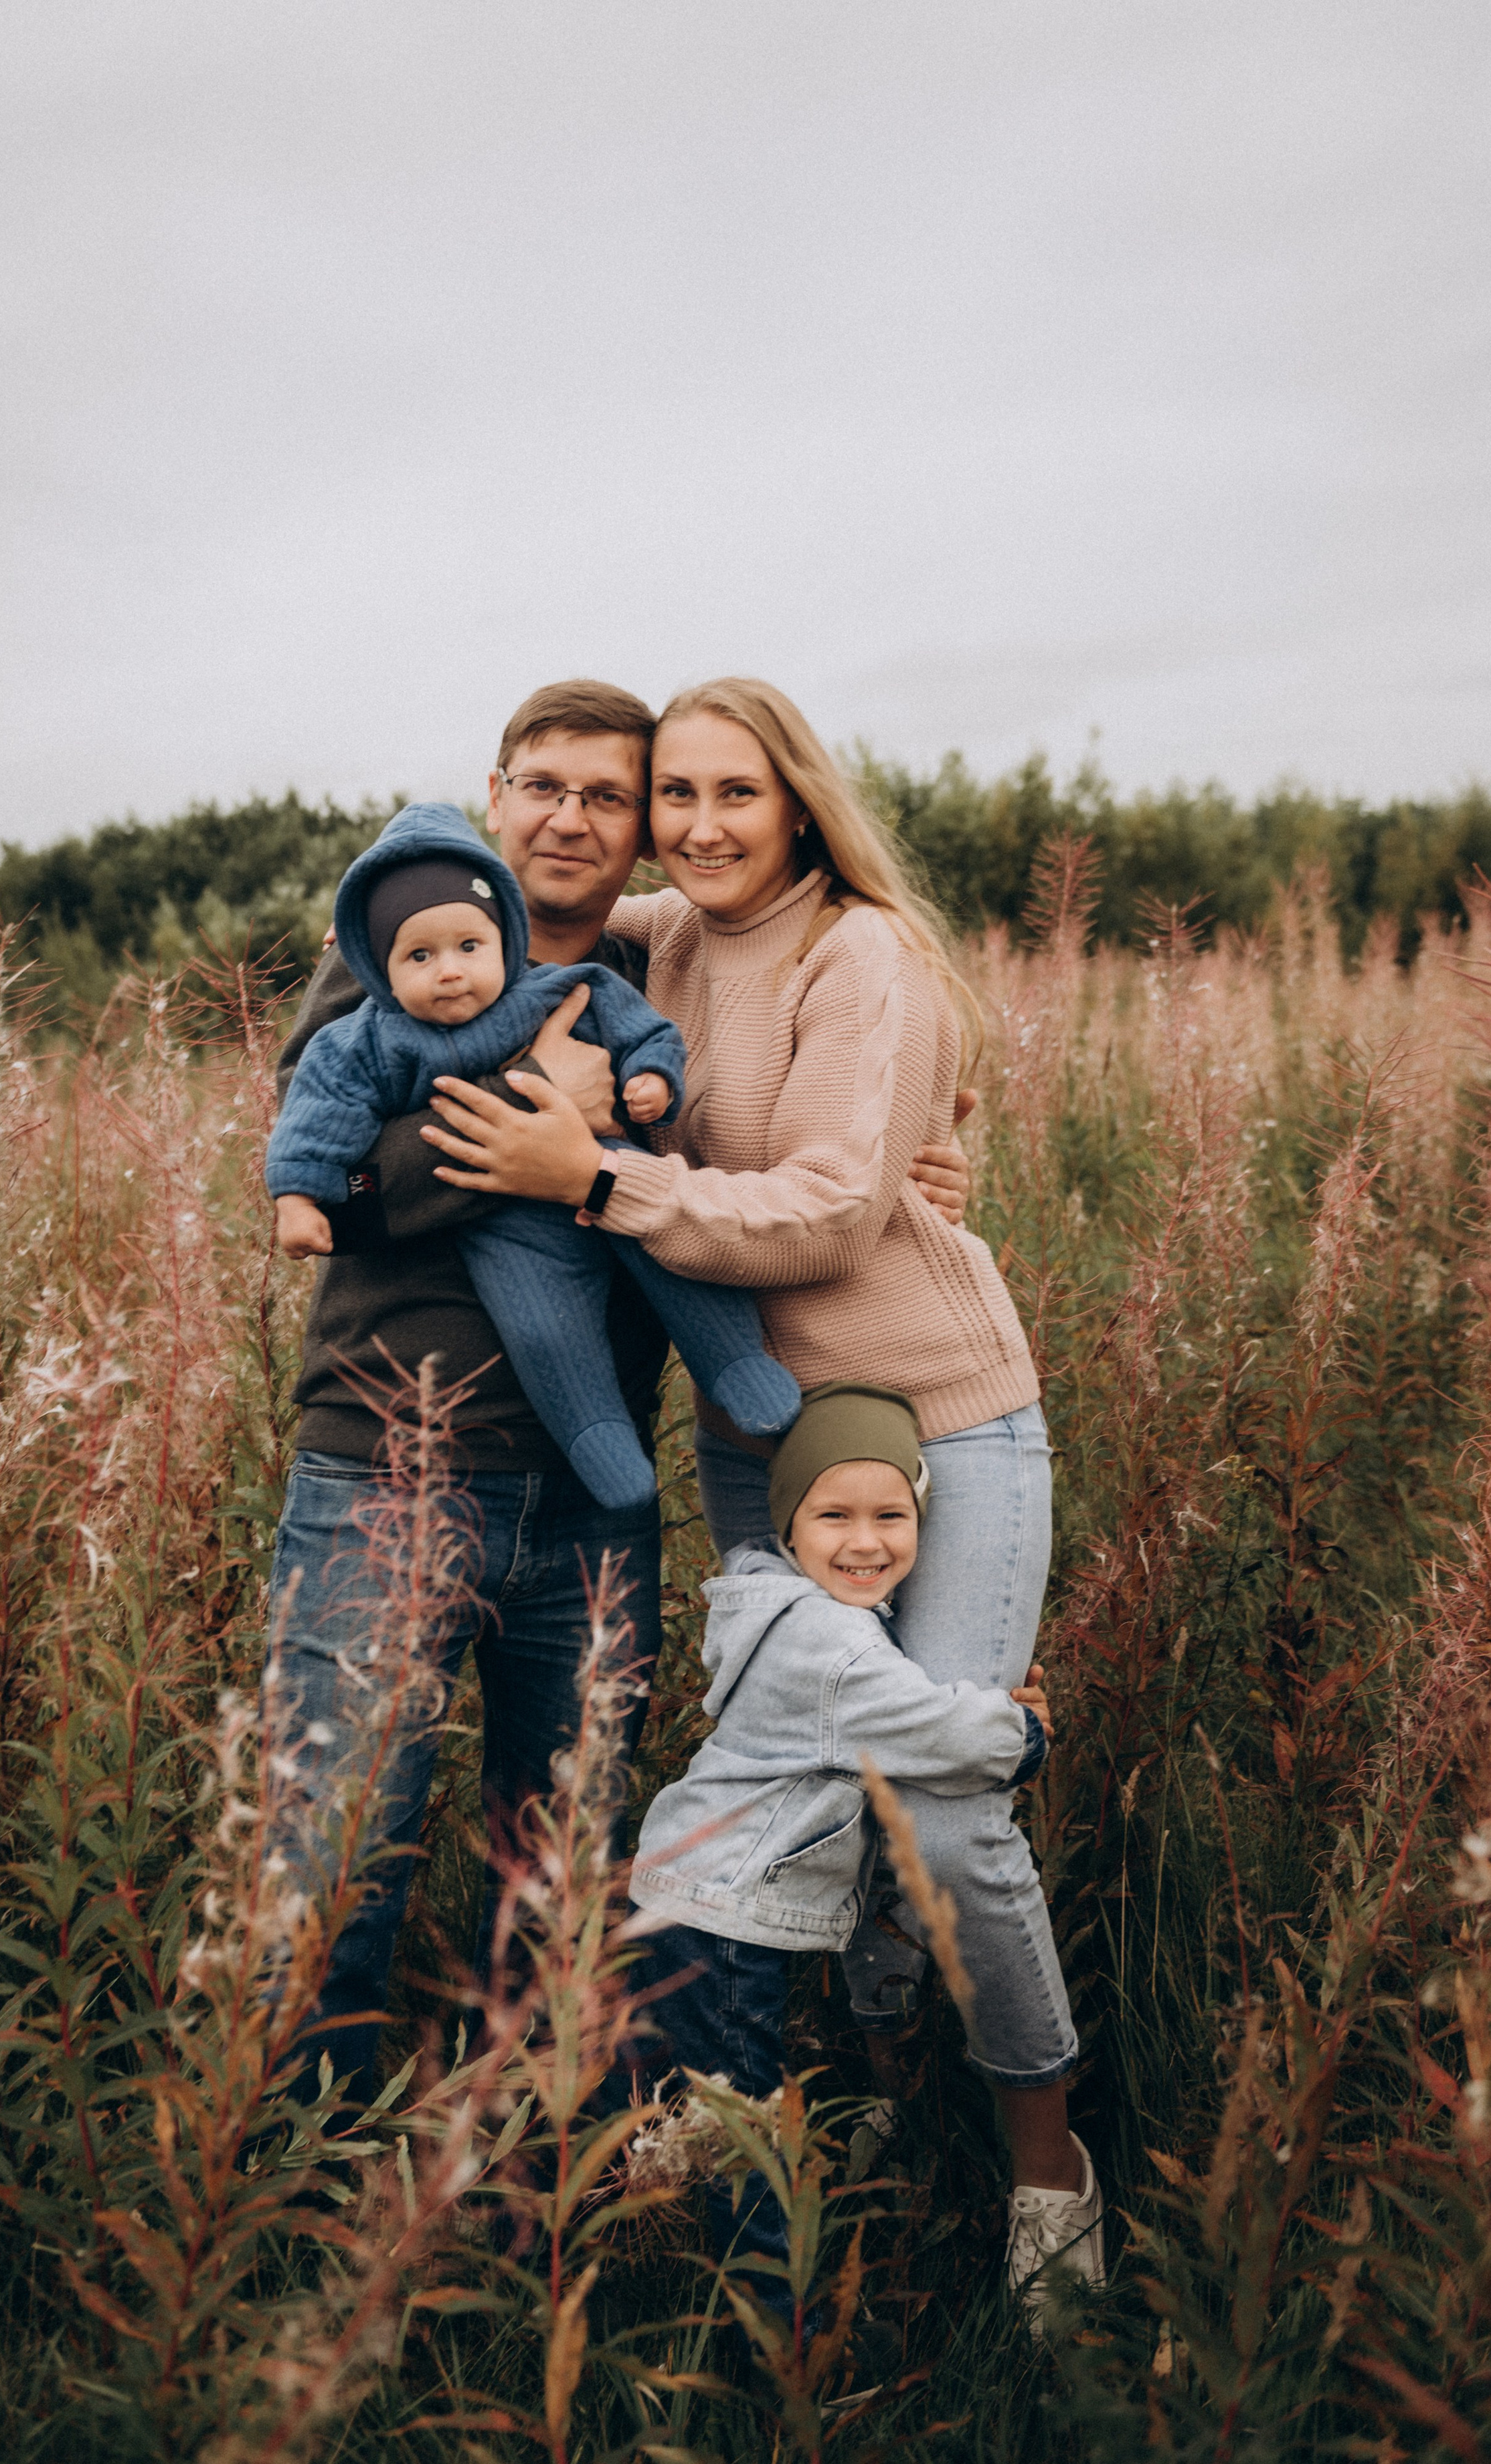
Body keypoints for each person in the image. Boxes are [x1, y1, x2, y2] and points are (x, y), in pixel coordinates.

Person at [412, 676, 1099, 2305]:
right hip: (764, 1439)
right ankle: (869, 2071)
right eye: (675, 796)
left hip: (941, 1418)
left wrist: (589, 1174)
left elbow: (832, 1214)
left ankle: (1046, 2163)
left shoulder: (857, 950)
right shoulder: (657, 939)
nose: (698, 825)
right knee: (811, 1777)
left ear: (797, 803)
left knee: (940, 1806)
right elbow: (486, 901)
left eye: (736, 793)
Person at [262, 678, 972, 2108]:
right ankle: (290, 2178)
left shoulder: (665, 969)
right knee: (338, 1853)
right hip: (387, 1471)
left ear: (641, 828)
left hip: (595, 1494)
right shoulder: (407, 939)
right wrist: (547, 1111)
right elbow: (323, 1183)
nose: (570, 818)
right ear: (496, 794)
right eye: (543, 785)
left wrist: (924, 1167)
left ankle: (520, 2164)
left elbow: (779, 1135)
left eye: (608, 795)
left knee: (557, 1864)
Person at [621, 1385, 1081, 2324]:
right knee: (741, 2130)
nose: (865, 1541)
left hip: (684, 1895)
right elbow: (940, 1734)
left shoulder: (780, 1603)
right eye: (834, 1516)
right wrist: (1027, 1731)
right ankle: (780, 2332)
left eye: (891, 1516)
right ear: (789, 1524)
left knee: (668, 2095)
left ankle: (603, 2233)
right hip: (723, 1921)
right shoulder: (831, 1646)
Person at [265, 802, 799, 1510]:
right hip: (398, 1442)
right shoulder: (367, 1031)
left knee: (675, 1261)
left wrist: (651, 1077)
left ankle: (736, 1365)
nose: (448, 971)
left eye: (606, 796)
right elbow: (335, 1158)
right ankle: (597, 1437)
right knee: (544, 1327)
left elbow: (650, 1033)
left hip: (611, 1187)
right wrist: (299, 1194)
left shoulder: (584, 975)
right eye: (419, 956)